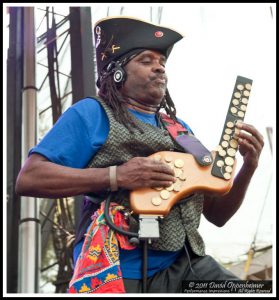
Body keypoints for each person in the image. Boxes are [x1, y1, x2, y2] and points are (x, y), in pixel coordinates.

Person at [16, 16, 264, 293]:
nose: (159, 67)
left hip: (186, 265)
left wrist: (248, 166)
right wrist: (117, 176)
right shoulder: (92, 113)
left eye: (162, 62)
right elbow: (30, 178)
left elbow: (217, 215)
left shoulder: (180, 130)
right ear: (117, 72)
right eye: (146, 60)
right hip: (119, 270)